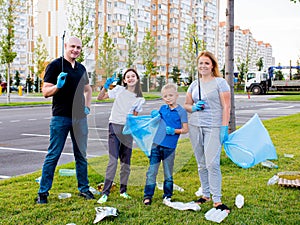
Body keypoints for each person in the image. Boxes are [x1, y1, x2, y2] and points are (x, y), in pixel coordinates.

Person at [36, 36, 94, 204]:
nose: (75, 50)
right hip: (60, 117)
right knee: (53, 155)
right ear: (66, 46)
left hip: (80, 119)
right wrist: (58, 86)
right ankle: (43, 192)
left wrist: (87, 106)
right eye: (72, 47)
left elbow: (87, 89)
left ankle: (84, 189)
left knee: (81, 155)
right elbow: (45, 92)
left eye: (78, 48)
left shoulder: (81, 68)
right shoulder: (55, 66)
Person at [184, 50, 231, 213]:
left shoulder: (220, 83)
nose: (203, 66)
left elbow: (226, 106)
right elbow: (187, 105)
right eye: (200, 63)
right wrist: (193, 107)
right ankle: (205, 194)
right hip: (195, 127)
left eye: (206, 63)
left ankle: (217, 200)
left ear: (212, 66)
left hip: (214, 126)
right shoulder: (194, 84)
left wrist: (224, 127)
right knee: (201, 163)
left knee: (212, 163)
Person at [97, 68, 145, 204]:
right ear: (124, 80)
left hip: (127, 130)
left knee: (126, 163)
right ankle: (105, 193)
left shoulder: (140, 98)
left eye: (133, 76)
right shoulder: (118, 90)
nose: (130, 78)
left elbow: (135, 117)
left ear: (137, 79)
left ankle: (123, 191)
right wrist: (105, 87)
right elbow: (100, 98)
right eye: (127, 76)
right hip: (114, 127)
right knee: (113, 161)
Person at [143, 83, 188, 205]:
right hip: (156, 145)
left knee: (168, 173)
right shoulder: (163, 109)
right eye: (165, 96)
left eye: (170, 95)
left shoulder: (181, 112)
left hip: (170, 147)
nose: (168, 98)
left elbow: (185, 129)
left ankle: (167, 195)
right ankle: (147, 195)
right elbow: (155, 122)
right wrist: (155, 115)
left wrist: (174, 131)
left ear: (177, 95)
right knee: (152, 171)